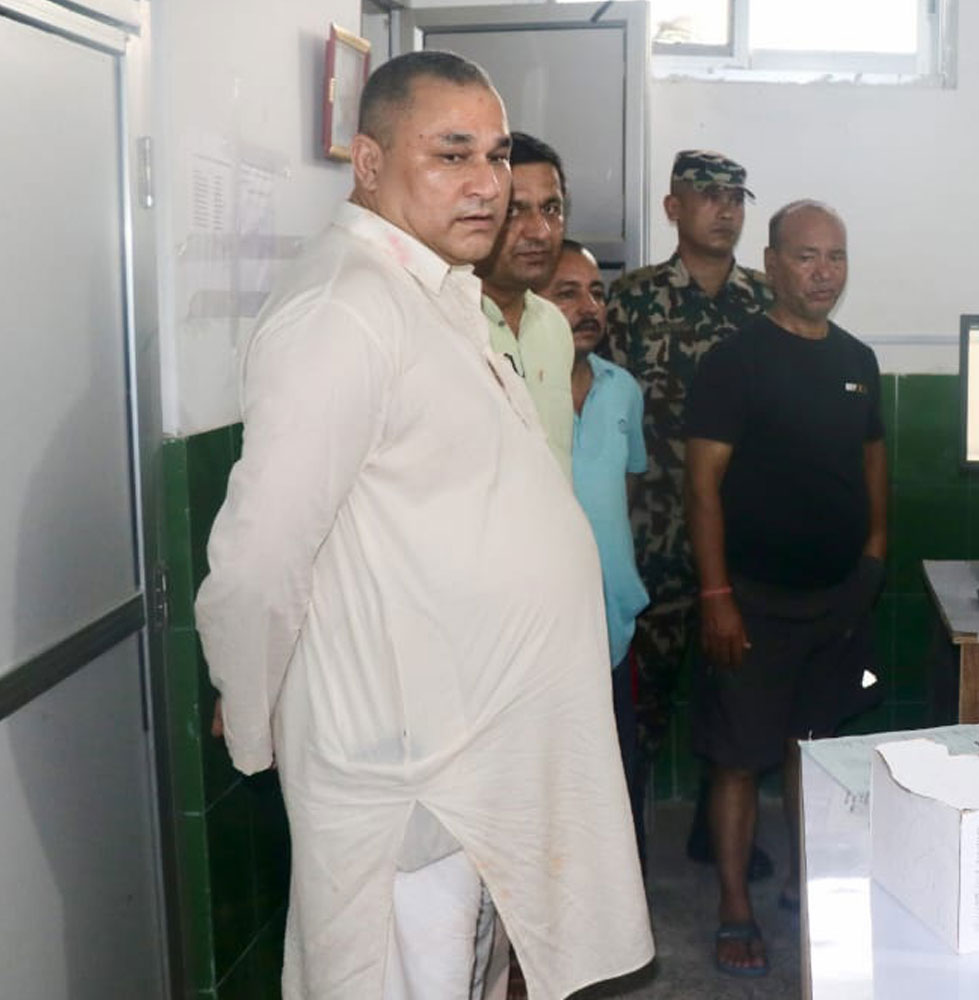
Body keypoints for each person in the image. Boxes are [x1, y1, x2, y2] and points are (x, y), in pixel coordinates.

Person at [194, 51, 652, 998]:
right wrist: (252, 703)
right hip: (405, 772)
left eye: (496, 154)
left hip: (471, 762)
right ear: (368, 162)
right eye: (451, 154)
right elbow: (260, 553)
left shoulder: (429, 290)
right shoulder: (342, 309)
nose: (487, 184)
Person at [683, 200, 887, 977]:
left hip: (836, 601)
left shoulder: (858, 360)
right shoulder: (734, 362)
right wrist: (716, 597)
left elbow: (873, 467)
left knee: (816, 750)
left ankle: (809, 884)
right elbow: (702, 486)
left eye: (836, 257)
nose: (824, 273)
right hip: (751, 602)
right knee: (738, 759)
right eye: (806, 256)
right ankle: (736, 908)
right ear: (771, 265)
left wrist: (872, 560)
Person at [604, 149, 777, 877]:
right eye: (707, 196)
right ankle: (623, 859)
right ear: (673, 207)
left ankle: (718, 832)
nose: (725, 209)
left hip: (740, 539)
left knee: (735, 698)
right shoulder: (630, 300)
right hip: (649, 537)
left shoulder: (766, 300)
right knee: (638, 707)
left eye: (735, 197)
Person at [542, 238, 653, 861]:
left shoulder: (622, 389)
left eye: (596, 293)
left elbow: (625, 491)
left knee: (617, 785)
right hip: (540, 635)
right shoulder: (511, 389)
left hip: (611, 628)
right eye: (567, 293)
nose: (589, 308)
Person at [477, 131, 576, 476]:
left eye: (551, 209)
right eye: (514, 210)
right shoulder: (443, 322)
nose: (539, 231)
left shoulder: (554, 325)